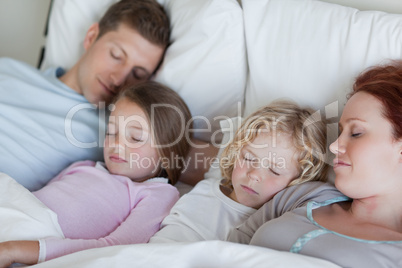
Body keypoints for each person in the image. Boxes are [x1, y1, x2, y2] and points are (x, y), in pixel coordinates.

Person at [228, 61, 402, 268]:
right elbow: (227, 251)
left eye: (356, 133)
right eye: (339, 133)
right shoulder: (305, 195)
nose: (335, 146)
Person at [0, 81, 193, 266]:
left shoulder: (157, 193)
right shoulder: (83, 166)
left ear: (168, 153)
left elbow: (114, 248)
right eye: (111, 132)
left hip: (31, 246)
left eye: (135, 138)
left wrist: (15, 250)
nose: (116, 144)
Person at [0, 0, 170, 191]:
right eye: (116, 55)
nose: (119, 79)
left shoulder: (120, 132)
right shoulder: (7, 69)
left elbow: (192, 157)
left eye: (137, 75)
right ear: (91, 37)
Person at [150, 100, 334, 243]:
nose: (254, 174)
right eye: (248, 158)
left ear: (300, 181)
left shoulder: (271, 226)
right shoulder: (205, 188)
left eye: (274, 170)